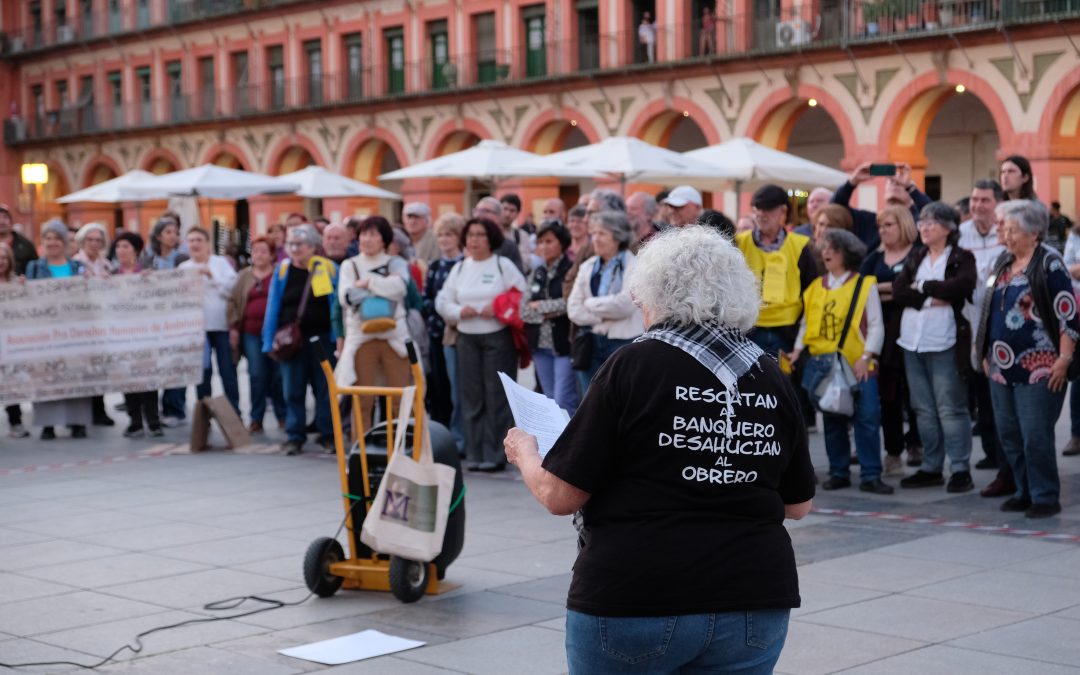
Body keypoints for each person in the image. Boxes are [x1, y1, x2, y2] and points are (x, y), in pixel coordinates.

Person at [504, 225, 814, 675]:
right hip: (753, 600)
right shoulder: (768, 373)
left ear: (657, 293)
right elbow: (798, 504)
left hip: (638, 595)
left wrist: (526, 453)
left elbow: (560, 496)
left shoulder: (633, 364)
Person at [974, 200, 1078, 518]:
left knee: (1035, 434)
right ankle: (1023, 490)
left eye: (1012, 229)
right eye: (1005, 228)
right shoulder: (1003, 263)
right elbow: (990, 310)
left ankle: (1045, 495)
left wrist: (1064, 359)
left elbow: (1068, 316)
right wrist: (985, 352)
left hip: (1041, 366)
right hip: (1001, 366)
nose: (1006, 234)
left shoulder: (1050, 263)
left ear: (1034, 233)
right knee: (1009, 433)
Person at [791, 229, 893, 494]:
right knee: (832, 418)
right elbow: (805, 324)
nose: (826, 253)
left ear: (846, 253)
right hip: (823, 363)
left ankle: (871, 473)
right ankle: (839, 471)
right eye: (824, 248)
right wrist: (797, 350)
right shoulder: (814, 288)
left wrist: (867, 356)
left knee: (867, 417)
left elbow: (876, 326)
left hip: (858, 362)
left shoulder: (864, 284)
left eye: (832, 249)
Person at [893, 202, 977, 492]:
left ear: (948, 228)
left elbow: (963, 287)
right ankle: (931, 466)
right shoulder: (917, 256)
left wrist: (924, 287)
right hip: (912, 342)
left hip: (945, 341)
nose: (924, 228)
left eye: (931, 223)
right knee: (923, 408)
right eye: (922, 223)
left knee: (951, 407)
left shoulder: (961, 257)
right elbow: (899, 290)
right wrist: (931, 293)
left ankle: (960, 468)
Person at [436, 217, 527, 471]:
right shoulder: (460, 268)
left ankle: (496, 454)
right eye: (471, 234)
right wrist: (458, 311)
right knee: (471, 396)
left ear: (491, 239)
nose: (474, 240)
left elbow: (522, 295)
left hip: (497, 337)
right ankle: (475, 452)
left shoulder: (502, 265)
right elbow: (443, 301)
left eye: (480, 235)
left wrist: (497, 308)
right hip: (467, 337)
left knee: (497, 395)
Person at [263, 224, 340, 455]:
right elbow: (273, 305)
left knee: (324, 389)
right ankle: (295, 436)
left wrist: (338, 338)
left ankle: (327, 434)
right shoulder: (283, 270)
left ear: (313, 247)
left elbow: (334, 305)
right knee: (292, 390)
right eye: (291, 244)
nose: (295, 249)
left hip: (322, 338)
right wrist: (268, 340)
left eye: (300, 244)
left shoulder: (326, 268)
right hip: (291, 342)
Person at [860, 205, 923, 473]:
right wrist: (896, 289)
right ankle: (893, 450)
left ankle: (917, 444)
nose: (883, 231)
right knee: (889, 395)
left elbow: (917, 290)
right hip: (880, 335)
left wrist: (883, 289)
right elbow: (862, 289)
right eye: (880, 226)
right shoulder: (873, 258)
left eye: (889, 225)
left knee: (916, 394)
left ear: (904, 225)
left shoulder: (919, 255)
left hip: (912, 332)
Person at [336, 216, 413, 429]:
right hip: (361, 338)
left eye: (373, 234)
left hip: (395, 337)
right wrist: (382, 291)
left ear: (384, 238)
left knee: (402, 398)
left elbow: (400, 287)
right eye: (364, 234)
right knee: (362, 401)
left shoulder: (395, 262)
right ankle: (361, 453)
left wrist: (369, 283)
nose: (367, 239)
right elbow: (347, 296)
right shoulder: (349, 265)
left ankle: (405, 451)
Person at [958, 180, 1009, 481]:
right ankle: (991, 451)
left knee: (996, 393)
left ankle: (1004, 458)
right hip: (969, 324)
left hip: (1000, 325)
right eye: (975, 200)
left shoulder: (1005, 232)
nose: (977, 206)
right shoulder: (960, 235)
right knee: (978, 390)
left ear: (997, 203)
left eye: (985, 200)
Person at [25, 219, 92, 440]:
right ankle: (48, 424)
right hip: (45, 332)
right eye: (48, 238)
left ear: (64, 242)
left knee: (76, 375)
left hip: (74, 332)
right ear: (42, 242)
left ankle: (78, 422)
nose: (52, 242)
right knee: (46, 377)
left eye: (56, 238)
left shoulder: (77, 268)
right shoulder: (35, 267)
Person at [567, 210, 644, 392]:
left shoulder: (635, 266)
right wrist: (602, 317)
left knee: (621, 398)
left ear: (618, 237)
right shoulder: (587, 266)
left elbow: (625, 305)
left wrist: (590, 303)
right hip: (591, 342)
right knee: (590, 400)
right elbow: (573, 308)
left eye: (602, 234)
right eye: (593, 234)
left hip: (623, 342)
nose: (595, 239)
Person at [227, 236, 286, 433]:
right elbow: (233, 301)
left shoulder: (280, 273)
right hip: (251, 333)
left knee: (277, 375)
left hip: (276, 333)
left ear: (271, 255)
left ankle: (282, 415)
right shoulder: (245, 276)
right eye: (255, 251)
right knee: (257, 374)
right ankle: (256, 417)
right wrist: (234, 327)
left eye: (263, 251)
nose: (258, 255)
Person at [179, 227, 240, 415]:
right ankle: (203, 415)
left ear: (207, 244)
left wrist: (211, 277)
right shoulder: (184, 268)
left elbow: (233, 291)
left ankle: (234, 413)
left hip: (221, 326)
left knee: (227, 372)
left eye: (199, 240)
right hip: (197, 330)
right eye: (191, 241)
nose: (195, 244)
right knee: (203, 374)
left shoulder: (220, 263)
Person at [108, 231, 163, 438]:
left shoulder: (146, 272)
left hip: (145, 334)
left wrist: (153, 282)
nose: (121, 251)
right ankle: (135, 421)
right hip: (122, 335)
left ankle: (154, 420)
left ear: (136, 251)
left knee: (148, 379)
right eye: (118, 247)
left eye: (126, 247)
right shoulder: (113, 275)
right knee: (128, 378)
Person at [522, 221, 579, 414]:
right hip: (540, 345)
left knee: (564, 399)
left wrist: (540, 307)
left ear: (562, 243)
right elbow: (523, 310)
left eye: (549, 241)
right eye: (540, 242)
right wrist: (550, 311)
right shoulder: (537, 272)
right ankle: (553, 443)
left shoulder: (571, 269)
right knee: (548, 398)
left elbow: (570, 303)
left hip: (563, 345)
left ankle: (570, 442)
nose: (543, 247)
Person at [422, 213, 466, 449]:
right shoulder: (435, 266)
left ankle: (459, 436)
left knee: (456, 388)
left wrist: (450, 309)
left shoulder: (463, 265)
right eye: (440, 235)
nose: (444, 239)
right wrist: (440, 309)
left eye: (449, 234)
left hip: (458, 334)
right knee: (438, 386)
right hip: (436, 333)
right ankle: (439, 436)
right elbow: (425, 299)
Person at [832, 161, 932, 251]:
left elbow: (937, 216)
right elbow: (834, 212)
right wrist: (852, 182)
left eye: (900, 183)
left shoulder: (920, 223)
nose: (895, 183)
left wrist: (910, 187)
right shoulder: (871, 222)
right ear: (884, 191)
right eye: (891, 181)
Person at [74, 221, 116, 427]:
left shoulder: (106, 264)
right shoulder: (75, 264)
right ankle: (84, 411)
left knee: (100, 368)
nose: (93, 243)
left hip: (102, 322)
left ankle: (100, 409)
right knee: (84, 368)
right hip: (82, 322)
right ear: (82, 241)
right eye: (90, 240)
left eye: (98, 240)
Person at [0, 242, 30, 438]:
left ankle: (15, 421)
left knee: (10, 383)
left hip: (10, 343)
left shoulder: (16, 282)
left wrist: (26, 290)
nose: (0, 261)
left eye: (3, 257)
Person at [473, 197, 525, 272]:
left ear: (498, 216)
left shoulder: (508, 246)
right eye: (476, 210)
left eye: (485, 211)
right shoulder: (469, 243)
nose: (478, 214)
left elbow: (516, 279)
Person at [0, 203, 37, 274]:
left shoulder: (26, 245)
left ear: (11, 222)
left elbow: (36, 269)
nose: (1, 221)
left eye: (5, 217)